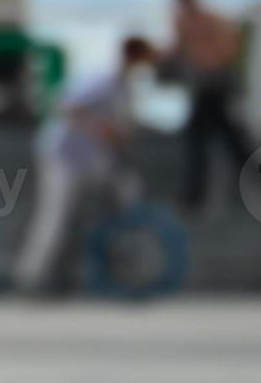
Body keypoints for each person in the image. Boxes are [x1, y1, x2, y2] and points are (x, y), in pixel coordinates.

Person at [13, 36, 159, 295]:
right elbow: (65, 107)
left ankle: (88, 272)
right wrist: (103, 130)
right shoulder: (104, 81)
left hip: (91, 161)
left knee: (115, 199)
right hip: (64, 156)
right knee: (55, 217)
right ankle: (31, 279)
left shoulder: (123, 88)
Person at [169, 0, 250, 213]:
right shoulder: (181, 21)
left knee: (223, 144)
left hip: (215, 88)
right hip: (202, 90)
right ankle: (192, 199)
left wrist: (211, 60)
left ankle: (192, 200)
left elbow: (231, 45)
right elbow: (179, 51)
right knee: (213, 143)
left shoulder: (209, 18)